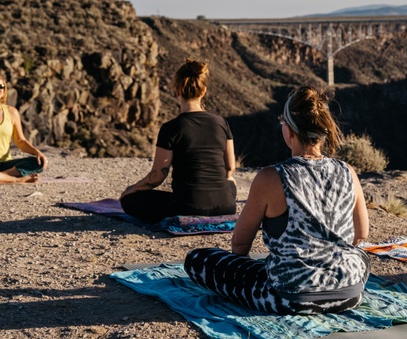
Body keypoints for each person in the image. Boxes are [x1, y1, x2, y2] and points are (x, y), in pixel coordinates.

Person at [185, 86, 370, 315]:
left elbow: (240, 244)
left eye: (282, 121)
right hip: (348, 295)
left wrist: (239, 273)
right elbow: (361, 234)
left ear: (290, 131)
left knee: (197, 259)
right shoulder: (347, 171)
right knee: (360, 256)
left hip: (287, 298)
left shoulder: (271, 177)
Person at [120, 59, 236, 222]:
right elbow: (230, 167)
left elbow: (158, 176)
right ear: (203, 91)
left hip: (187, 207)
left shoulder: (171, 128)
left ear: (177, 91)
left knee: (128, 201)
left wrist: (132, 189)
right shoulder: (221, 123)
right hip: (226, 206)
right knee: (230, 182)